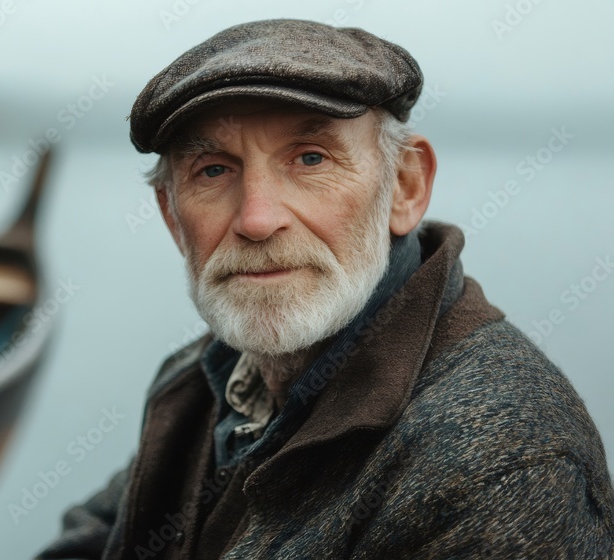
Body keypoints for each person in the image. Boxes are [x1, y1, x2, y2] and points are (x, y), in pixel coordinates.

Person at [37, 19, 614, 559]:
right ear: (170, 217)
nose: (257, 220)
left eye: (310, 158)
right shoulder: (210, 376)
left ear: (405, 188)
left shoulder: (504, 463)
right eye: (213, 170)